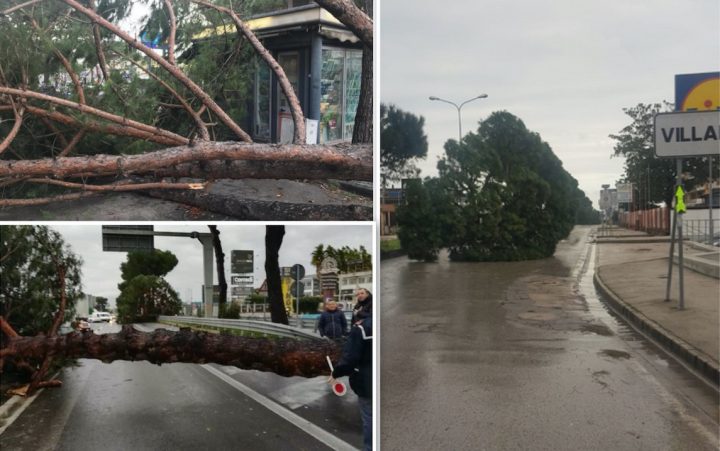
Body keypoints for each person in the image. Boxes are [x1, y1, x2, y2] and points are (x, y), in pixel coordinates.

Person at [330, 317, 373, 451]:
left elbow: (350, 358)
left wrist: (335, 373)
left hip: (367, 382)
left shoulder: (361, 328)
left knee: (370, 417)